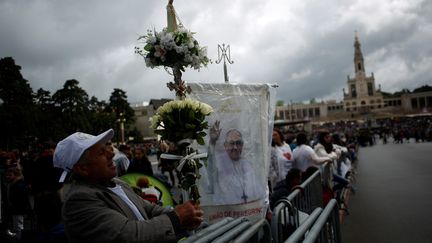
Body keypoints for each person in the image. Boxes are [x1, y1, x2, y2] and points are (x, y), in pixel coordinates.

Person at [53, 129, 203, 243]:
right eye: (101, 152)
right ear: (83, 169)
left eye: (107, 147)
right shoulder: (79, 201)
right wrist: (177, 217)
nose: (111, 154)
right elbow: (130, 234)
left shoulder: (118, 182)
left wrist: (187, 215)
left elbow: (149, 209)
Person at [207, 121, 264, 204]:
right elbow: (209, 167)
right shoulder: (219, 163)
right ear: (225, 146)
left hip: (249, 212)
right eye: (231, 143)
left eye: (238, 143)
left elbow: (258, 191)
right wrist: (212, 142)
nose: (235, 147)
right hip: (227, 213)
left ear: (242, 145)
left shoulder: (248, 165)